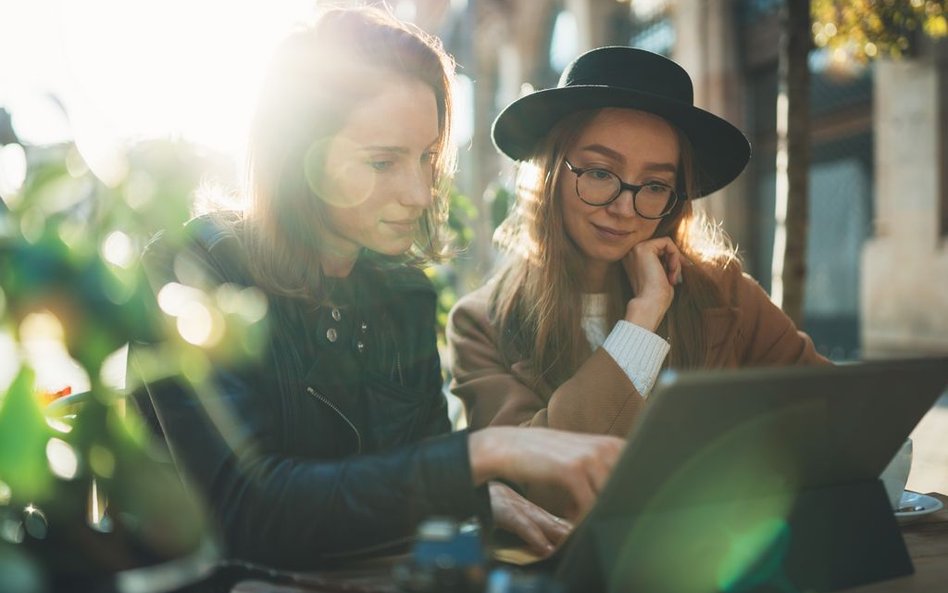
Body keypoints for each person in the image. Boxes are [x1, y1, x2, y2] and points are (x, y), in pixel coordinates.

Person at [129, 7, 623, 570]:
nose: (418, 193)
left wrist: (474, 498)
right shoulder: (191, 273)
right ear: (297, 156)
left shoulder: (401, 292)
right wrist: (481, 456)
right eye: (382, 162)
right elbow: (246, 512)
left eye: (427, 158)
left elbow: (410, 479)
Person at [447, 47, 829, 457]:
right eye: (599, 173)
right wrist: (642, 321)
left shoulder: (725, 293)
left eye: (654, 186)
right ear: (550, 175)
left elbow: (836, 412)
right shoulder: (482, 324)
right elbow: (535, 479)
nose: (624, 208)